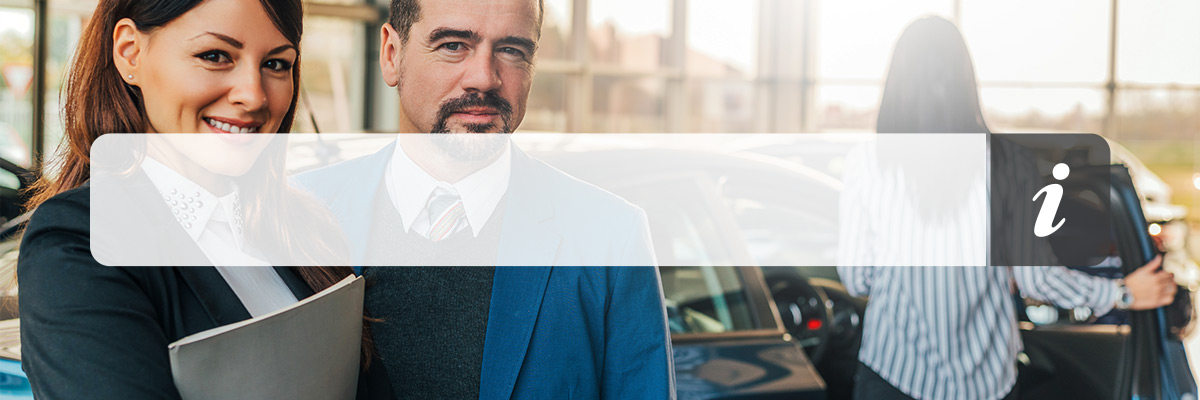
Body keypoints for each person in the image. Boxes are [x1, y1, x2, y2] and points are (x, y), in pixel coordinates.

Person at [294, 0, 675, 398]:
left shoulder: (611, 240)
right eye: (454, 45)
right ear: (392, 55)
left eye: (512, 50)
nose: (484, 78)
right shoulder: (303, 214)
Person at [16, 0, 388, 398]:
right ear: (130, 52)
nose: (254, 95)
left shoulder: (300, 230)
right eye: (215, 56)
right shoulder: (78, 244)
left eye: (277, 64)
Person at [837, 16, 1177, 400]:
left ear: (896, 84)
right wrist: (1123, 294)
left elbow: (857, 278)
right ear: (966, 82)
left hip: (891, 374)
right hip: (987, 381)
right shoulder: (1010, 164)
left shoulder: (866, 163)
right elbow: (1038, 280)